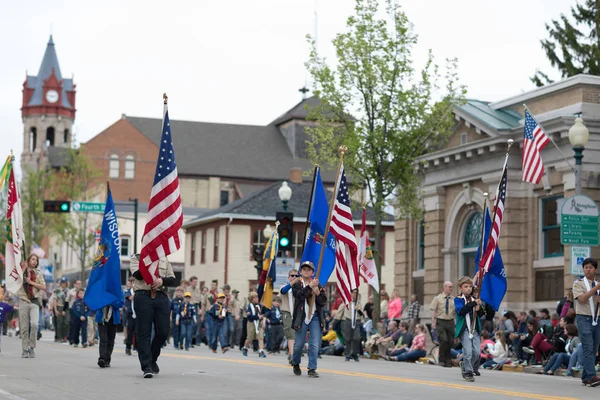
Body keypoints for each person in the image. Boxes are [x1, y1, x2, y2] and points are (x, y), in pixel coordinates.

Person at [130, 255, 177, 379]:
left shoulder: (164, 259)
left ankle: (152, 358)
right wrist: (149, 262)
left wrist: (162, 280)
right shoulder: (137, 258)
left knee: (163, 331)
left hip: (161, 295)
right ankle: (146, 366)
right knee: (144, 332)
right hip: (143, 295)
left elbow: (172, 279)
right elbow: (138, 275)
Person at [291, 261, 327, 378]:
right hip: (302, 317)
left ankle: (312, 368)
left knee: (314, 344)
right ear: (301, 272)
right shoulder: (296, 284)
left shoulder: (317, 284)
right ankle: (295, 362)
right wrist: (309, 287)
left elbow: (323, 301)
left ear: (312, 272)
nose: (306, 271)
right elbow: (299, 296)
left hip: (315, 317)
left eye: (309, 269)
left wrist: (318, 293)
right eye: (304, 269)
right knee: (298, 345)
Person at [572, 257, 600, 387]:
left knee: (593, 348)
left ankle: (586, 377)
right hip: (583, 318)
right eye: (586, 267)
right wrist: (596, 288)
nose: (588, 269)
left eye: (591, 267)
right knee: (588, 347)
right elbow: (582, 299)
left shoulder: (597, 284)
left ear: (595, 269)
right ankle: (592, 376)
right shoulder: (578, 283)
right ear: (583, 269)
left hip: (596, 318)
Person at [454, 276, 484, 382]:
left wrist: (479, 308)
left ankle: (465, 365)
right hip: (464, 329)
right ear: (461, 288)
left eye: (470, 286)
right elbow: (461, 311)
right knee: (468, 351)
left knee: (476, 352)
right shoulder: (458, 299)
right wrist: (473, 304)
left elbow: (481, 314)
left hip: (474, 328)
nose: (468, 289)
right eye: (466, 287)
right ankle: (468, 372)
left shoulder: (475, 299)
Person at [18, 254, 46, 358]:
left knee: (34, 324)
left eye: (36, 260)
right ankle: (24, 349)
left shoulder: (38, 274)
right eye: (32, 259)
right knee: (24, 327)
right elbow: (16, 280)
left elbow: (43, 286)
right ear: (28, 260)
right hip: (23, 300)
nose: (34, 261)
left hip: (34, 301)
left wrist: (31, 282)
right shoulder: (22, 271)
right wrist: (24, 268)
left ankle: (31, 347)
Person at [430, 281, 455, 368]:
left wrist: (455, 323)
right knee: (443, 340)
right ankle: (441, 359)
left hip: (450, 321)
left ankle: (448, 360)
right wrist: (433, 322)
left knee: (450, 341)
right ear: (444, 288)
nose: (451, 288)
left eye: (452, 287)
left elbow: (455, 312)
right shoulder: (437, 298)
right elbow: (433, 310)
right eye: (449, 287)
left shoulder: (453, 299)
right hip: (441, 321)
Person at [334, 289, 362, 362]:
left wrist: (358, 309)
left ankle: (355, 353)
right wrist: (335, 322)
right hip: (348, 321)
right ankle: (348, 354)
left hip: (356, 321)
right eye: (353, 293)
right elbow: (339, 312)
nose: (354, 295)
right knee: (347, 338)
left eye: (356, 293)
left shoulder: (358, 303)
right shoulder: (346, 303)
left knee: (357, 338)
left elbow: (362, 314)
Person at [280, 269, 300, 363]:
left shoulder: (300, 288)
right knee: (290, 334)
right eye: (292, 276)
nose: (294, 277)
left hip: (297, 313)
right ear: (288, 277)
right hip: (287, 312)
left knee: (296, 335)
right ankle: (292, 356)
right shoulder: (285, 286)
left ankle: (291, 352)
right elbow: (283, 291)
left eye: (296, 276)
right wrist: (293, 283)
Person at [97, 301, 122, 368]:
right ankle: (102, 358)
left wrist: (111, 301)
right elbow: (97, 303)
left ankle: (107, 359)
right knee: (103, 339)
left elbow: (121, 303)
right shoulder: (102, 292)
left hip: (113, 319)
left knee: (110, 340)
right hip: (102, 318)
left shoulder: (118, 292)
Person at [242, 292, 266, 357]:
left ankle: (261, 351)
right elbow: (250, 317)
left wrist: (264, 310)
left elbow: (264, 312)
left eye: (257, 297)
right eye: (255, 298)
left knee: (260, 337)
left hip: (259, 323)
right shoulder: (248, 307)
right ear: (251, 299)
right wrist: (258, 317)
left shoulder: (259, 306)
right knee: (250, 338)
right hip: (251, 323)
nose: (257, 299)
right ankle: (245, 348)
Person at [53, 278, 69, 343]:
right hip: (59, 307)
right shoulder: (57, 291)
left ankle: (65, 336)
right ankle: (60, 337)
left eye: (64, 282)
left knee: (66, 322)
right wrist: (55, 310)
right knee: (60, 323)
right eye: (62, 282)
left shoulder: (68, 291)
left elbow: (68, 300)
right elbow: (55, 300)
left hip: (67, 308)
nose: (63, 284)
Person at [124, 277, 136, 355]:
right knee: (130, 331)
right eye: (133, 283)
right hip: (131, 314)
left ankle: (136, 346)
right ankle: (128, 347)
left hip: (138, 314)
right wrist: (136, 293)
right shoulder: (128, 291)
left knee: (138, 331)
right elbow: (131, 298)